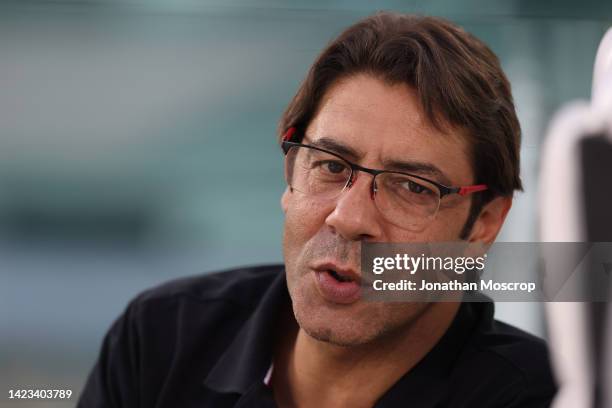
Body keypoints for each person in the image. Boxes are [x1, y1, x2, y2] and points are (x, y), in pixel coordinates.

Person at [78, 12, 557, 407]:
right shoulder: (162, 339)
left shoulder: (545, 399)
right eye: (330, 165)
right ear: (290, 173)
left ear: (484, 224)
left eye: (412, 187)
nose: (348, 217)